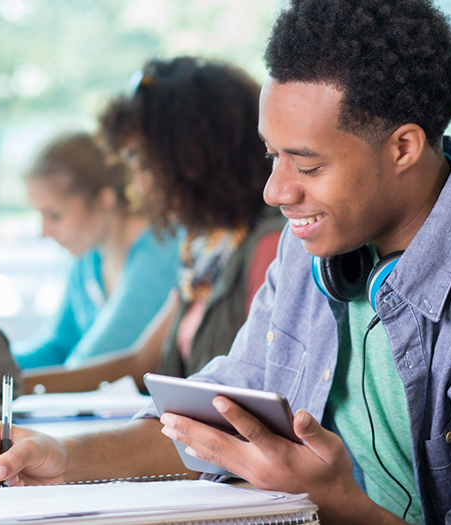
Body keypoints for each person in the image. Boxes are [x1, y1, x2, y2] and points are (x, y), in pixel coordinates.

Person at [0, 1, 451, 524]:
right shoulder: (312, 247)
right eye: (272, 154)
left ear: (403, 147)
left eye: (308, 164)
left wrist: (332, 499)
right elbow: (216, 423)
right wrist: (60, 458)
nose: (275, 191)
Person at [20, 56, 284, 393]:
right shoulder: (205, 251)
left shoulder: (267, 246)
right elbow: (140, 361)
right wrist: (9, 388)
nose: (139, 186)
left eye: (144, 166)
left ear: (192, 162)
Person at [12, 132, 180, 370]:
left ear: (104, 199)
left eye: (54, 216)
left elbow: (96, 359)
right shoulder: (86, 258)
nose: (44, 232)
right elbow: (58, 346)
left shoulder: (162, 249)